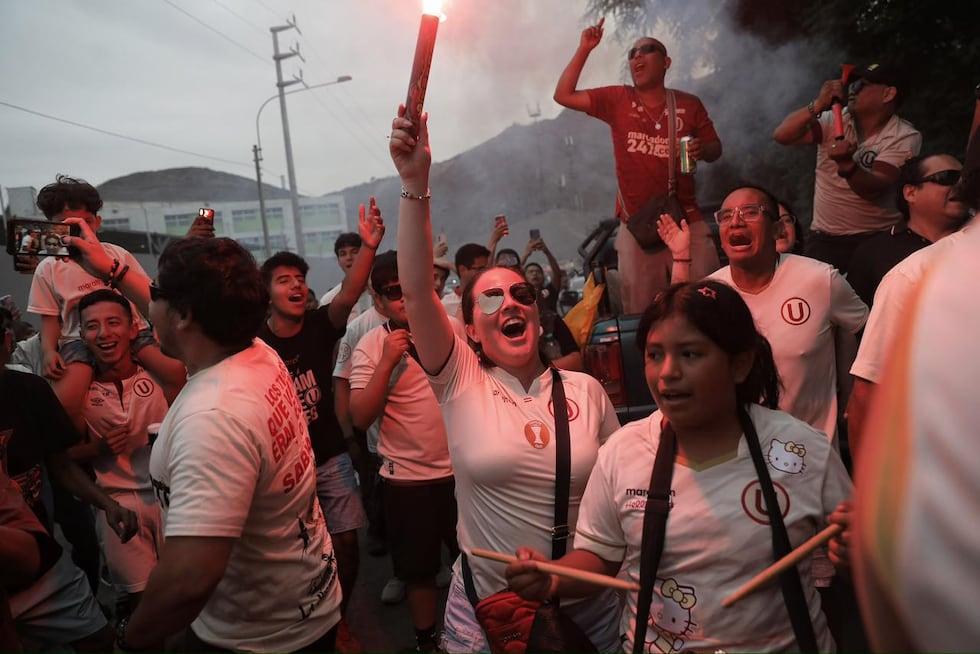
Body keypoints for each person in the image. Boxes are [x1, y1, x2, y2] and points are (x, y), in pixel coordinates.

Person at [505, 280, 853, 652]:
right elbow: (600, 558)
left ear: (740, 364)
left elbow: (865, 553)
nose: (668, 372)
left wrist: (858, 550)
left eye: (689, 354)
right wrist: (553, 579)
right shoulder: (623, 452)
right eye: (655, 355)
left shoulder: (801, 451)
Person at [390, 109, 622, 652]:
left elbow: (619, 497)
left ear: (538, 316)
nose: (510, 302)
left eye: (521, 295)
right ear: (468, 326)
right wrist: (414, 184)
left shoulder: (586, 392)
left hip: (589, 610)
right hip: (488, 615)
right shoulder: (460, 381)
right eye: (490, 297)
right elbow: (419, 290)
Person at [60, 229, 343, 652]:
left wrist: (129, 639)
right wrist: (112, 270)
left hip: (258, 637)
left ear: (186, 314)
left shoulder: (212, 417)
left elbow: (190, 580)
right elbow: (174, 308)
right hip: (304, 604)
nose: (145, 309)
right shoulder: (256, 353)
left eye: (155, 293)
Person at [852, 140, 980, 652]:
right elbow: (866, 403)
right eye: (940, 179)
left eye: (957, 177)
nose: (951, 187)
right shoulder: (914, 277)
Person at [258, 200, 383, 623]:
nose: (294, 286)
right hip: (282, 468)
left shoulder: (318, 325)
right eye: (283, 280)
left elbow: (349, 294)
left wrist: (368, 246)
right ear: (266, 293)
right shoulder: (253, 344)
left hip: (330, 458)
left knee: (348, 546)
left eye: (299, 279)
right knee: (297, 552)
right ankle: (303, 622)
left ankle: (339, 621)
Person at [556, 20, 722, 312]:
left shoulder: (689, 104)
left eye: (647, 50)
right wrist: (585, 48)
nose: (637, 57)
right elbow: (563, 95)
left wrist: (701, 148)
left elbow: (715, 149)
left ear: (666, 62)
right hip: (637, 227)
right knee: (645, 315)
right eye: (632, 54)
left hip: (686, 218)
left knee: (706, 304)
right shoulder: (618, 99)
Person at [0, 306, 135, 651]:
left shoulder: (27, 391)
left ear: (6, 342)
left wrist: (106, 504)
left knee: (100, 640)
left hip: (43, 566)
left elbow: (60, 464)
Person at [349, 250, 459, 652]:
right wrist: (387, 363)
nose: (402, 296)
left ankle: (487, 633)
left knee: (477, 561)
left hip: (463, 471)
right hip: (408, 479)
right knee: (418, 572)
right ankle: (426, 641)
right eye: (391, 291)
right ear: (378, 301)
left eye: (408, 286)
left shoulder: (451, 328)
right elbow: (359, 417)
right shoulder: (370, 346)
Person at [708, 186, 868, 444]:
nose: (736, 221)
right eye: (726, 216)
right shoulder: (710, 295)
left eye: (750, 212)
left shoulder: (820, 280)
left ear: (777, 229)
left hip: (812, 458)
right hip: (739, 458)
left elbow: (873, 335)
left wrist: (859, 396)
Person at [70, 289, 185, 619]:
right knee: (142, 603)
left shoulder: (158, 375)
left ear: (133, 329)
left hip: (172, 499)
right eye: (92, 326)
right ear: (81, 336)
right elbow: (61, 460)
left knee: (184, 594)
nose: (104, 333)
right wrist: (96, 449)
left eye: (113, 323)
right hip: (117, 503)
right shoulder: (80, 389)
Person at [773, 62, 922, 273]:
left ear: (888, 94)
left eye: (861, 84)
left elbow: (873, 188)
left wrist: (846, 164)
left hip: (878, 238)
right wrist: (817, 105)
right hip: (825, 239)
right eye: (850, 84)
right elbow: (782, 135)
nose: (851, 90)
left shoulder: (904, 136)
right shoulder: (835, 119)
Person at [846, 154, 967, 307]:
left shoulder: (975, 238)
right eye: (948, 177)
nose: (961, 184)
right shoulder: (873, 254)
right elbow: (858, 322)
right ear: (911, 193)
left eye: (965, 178)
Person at [319, 231, 374, 321]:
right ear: (338, 261)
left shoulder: (380, 289)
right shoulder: (329, 300)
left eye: (354, 252)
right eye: (343, 254)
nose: (349, 257)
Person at [441, 243, 490, 319]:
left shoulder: (491, 299)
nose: (484, 273)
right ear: (462, 270)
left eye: (486, 269)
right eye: (480, 269)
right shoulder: (446, 305)